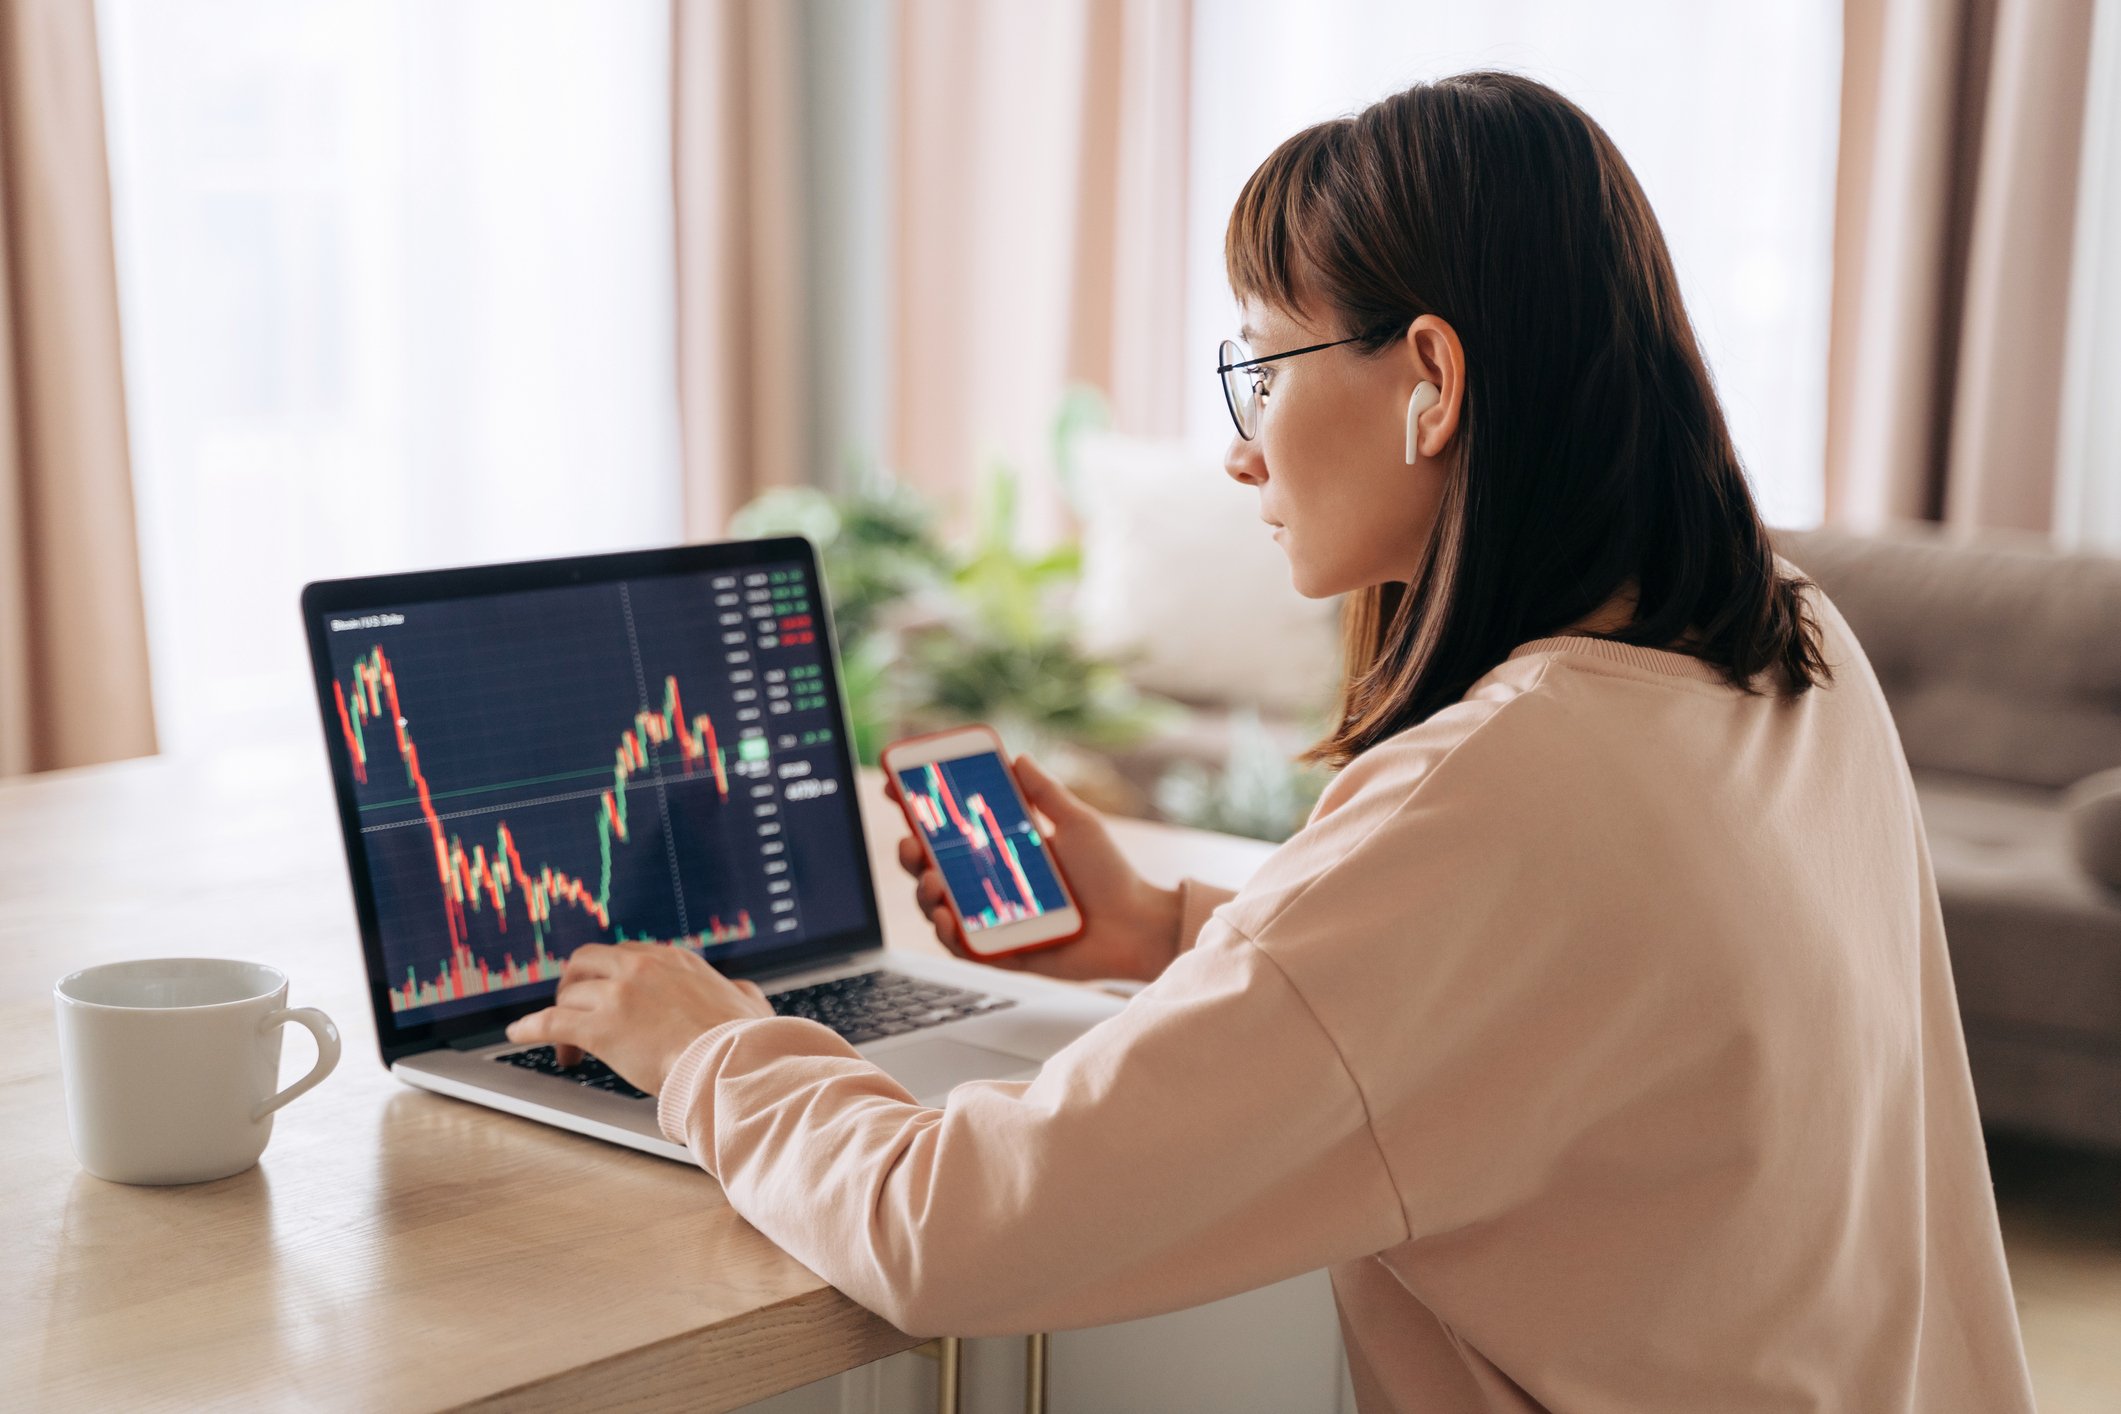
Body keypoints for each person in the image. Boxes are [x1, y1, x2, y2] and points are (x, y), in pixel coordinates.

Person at [505, 71, 2037, 1411]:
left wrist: (707, 1044)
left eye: (1258, 362)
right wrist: (1171, 927)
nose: (1238, 444)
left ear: (1429, 381)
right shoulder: (1791, 641)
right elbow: (1578, 1000)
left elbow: (954, 1229)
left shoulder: (1492, 791)